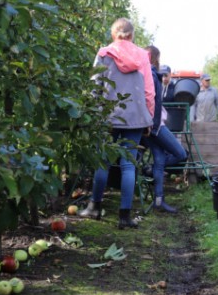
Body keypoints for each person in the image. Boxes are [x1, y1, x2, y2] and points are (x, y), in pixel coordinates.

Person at [79, 18, 155, 229]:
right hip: (135, 117)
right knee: (128, 165)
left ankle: (94, 207)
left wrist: (93, 114)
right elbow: (149, 90)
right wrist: (148, 117)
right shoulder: (142, 55)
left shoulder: (104, 54)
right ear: (132, 35)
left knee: (102, 161)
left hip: (107, 116)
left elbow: (95, 86)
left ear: (114, 34)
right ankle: (124, 216)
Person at [143, 46, 187, 213]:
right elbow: (149, 100)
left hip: (148, 125)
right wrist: (153, 125)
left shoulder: (146, 74)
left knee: (160, 161)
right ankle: (150, 170)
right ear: (155, 57)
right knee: (181, 154)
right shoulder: (152, 75)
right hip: (155, 126)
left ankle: (159, 201)